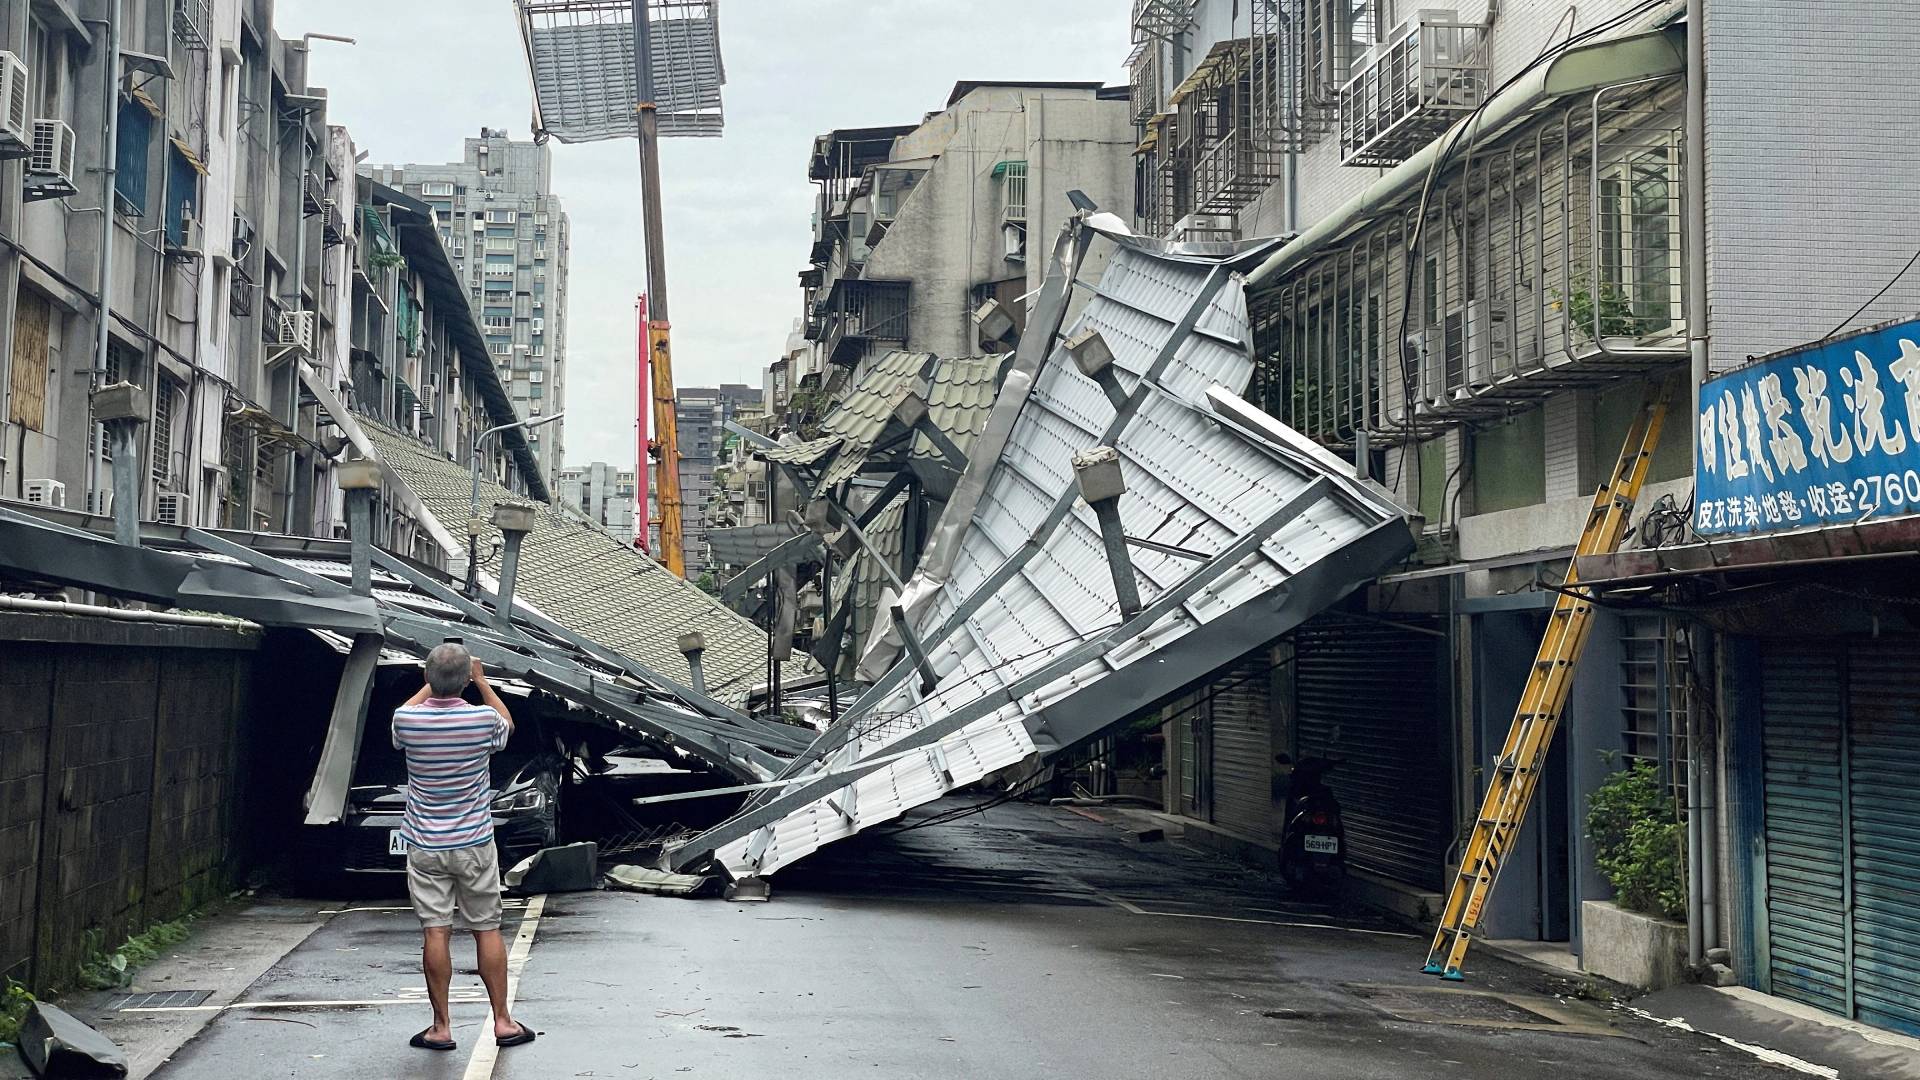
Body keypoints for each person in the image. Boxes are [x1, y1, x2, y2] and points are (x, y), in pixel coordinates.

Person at [391, 642, 536, 1052]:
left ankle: (440, 1027)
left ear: (427, 678)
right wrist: (482, 681)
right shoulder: (482, 719)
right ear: (466, 681)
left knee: (435, 930)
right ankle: (504, 1022)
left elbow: (408, 710)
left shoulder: (407, 720)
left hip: (424, 843)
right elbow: (507, 724)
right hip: (473, 841)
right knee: (486, 927)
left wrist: (430, 681)